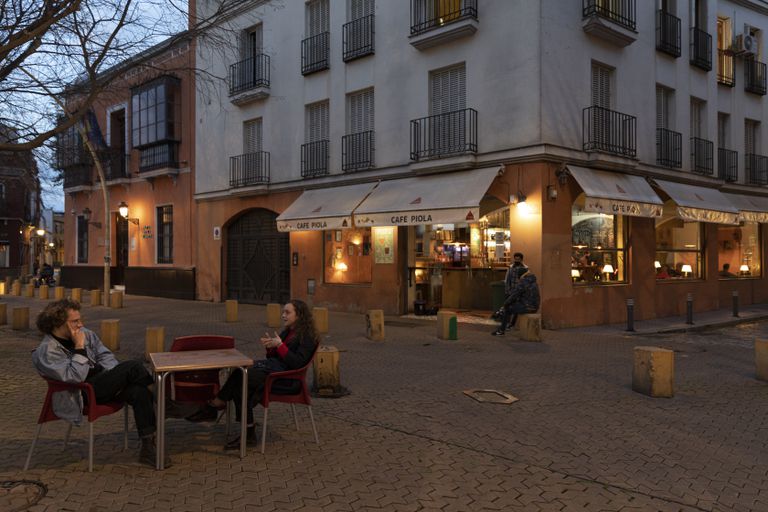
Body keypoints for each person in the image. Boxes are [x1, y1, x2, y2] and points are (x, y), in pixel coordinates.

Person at [31, 298, 165, 467]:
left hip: (103, 383)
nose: (80, 324)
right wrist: (79, 348)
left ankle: (148, 447)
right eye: (74, 321)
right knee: (134, 367)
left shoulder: (86, 334)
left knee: (139, 392)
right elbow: (74, 378)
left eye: (80, 320)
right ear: (58, 323)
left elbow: (105, 355)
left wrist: (113, 377)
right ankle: (164, 401)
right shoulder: (47, 351)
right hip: (81, 394)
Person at [186, 299, 319, 450]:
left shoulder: (306, 336)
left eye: (287, 312)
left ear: (300, 315)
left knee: (240, 376)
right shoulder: (289, 331)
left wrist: (280, 346)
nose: (283, 315)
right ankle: (246, 432)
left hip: (286, 380)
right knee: (241, 381)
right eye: (283, 312)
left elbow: (298, 363)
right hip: (274, 371)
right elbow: (275, 358)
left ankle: (217, 405)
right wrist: (271, 347)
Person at [493, 267, 540, 336]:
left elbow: (514, 295)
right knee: (515, 306)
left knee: (508, 309)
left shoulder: (523, 282)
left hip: (527, 307)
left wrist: (505, 304)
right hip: (534, 306)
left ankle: (501, 330)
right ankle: (510, 324)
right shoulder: (533, 281)